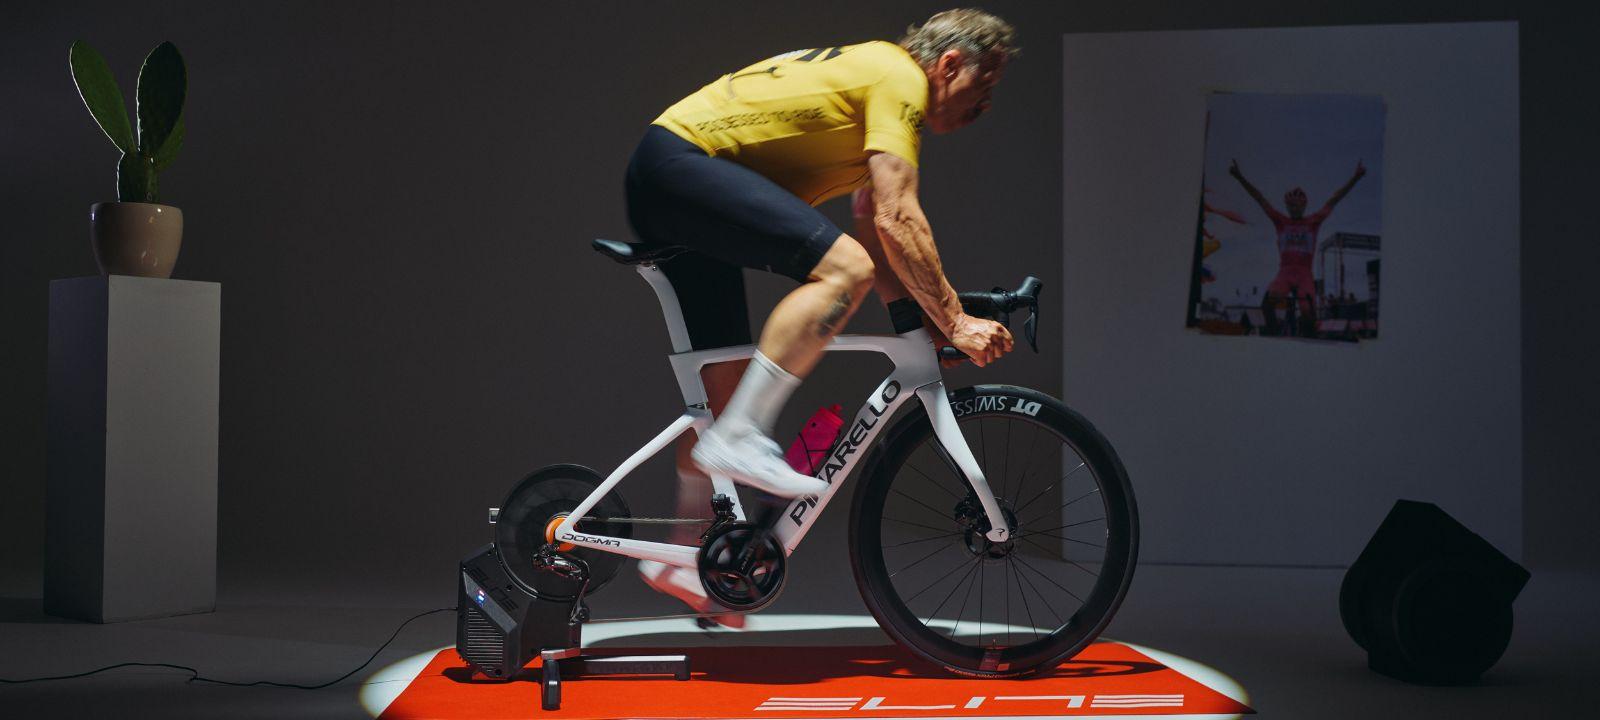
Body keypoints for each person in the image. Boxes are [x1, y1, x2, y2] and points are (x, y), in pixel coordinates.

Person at [622, 9, 1017, 619]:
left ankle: (678, 555)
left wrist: (919, 324)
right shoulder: (899, 78)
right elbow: (898, 216)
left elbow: (879, 233)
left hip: (677, 176)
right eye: (983, 84)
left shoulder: (881, 101)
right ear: (948, 64)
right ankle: (739, 438)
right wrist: (957, 321)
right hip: (682, 166)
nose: (985, 105)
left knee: (724, 392)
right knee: (842, 271)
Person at [1228, 159, 1366, 336]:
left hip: (1304, 273)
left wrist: (1355, 178)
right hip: (1285, 272)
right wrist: (1239, 177)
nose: (1293, 209)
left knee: (1308, 313)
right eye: (1290, 205)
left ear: (1303, 206)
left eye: (1296, 205)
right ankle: (1272, 336)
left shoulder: (1313, 221)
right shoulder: (1280, 221)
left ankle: (1308, 339)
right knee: (1267, 304)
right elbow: (1260, 199)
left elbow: (1334, 200)